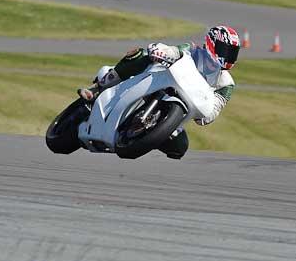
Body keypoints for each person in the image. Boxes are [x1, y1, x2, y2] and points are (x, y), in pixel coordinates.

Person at [78, 24, 241, 160]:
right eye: (226, 50)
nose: (229, 56)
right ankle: (98, 88)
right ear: (212, 43)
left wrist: (206, 114)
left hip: (182, 107)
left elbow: (215, 108)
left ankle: (145, 136)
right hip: (161, 80)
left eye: (232, 53)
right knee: (141, 55)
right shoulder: (192, 50)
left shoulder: (227, 83)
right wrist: (162, 52)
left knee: (179, 149)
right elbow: (175, 51)